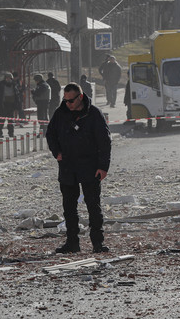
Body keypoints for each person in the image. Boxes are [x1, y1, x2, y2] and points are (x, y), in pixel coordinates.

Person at [46, 82, 111, 254]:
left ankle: (97, 243)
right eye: (65, 100)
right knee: (69, 208)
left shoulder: (94, 114)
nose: (68, 104)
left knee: (93, 207)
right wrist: (56, 152)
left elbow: (104, 141)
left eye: (71, 101)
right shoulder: (61, 113)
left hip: (89, 167)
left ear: (80, 97)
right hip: (67, 167)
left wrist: (103, 167)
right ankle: (72, 243)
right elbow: (50, 133)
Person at [0, 72, 21, 138]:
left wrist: (18, 103)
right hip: (3, 104)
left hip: (11, 104)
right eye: (7, 78)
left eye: (10, 78)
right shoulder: (1, 84)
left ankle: (11, 133)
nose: (8, 79)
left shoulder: (14, 84)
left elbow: (17, 94)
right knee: (1, 120)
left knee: (11, 120)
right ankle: (0, 133)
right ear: (5, 78)